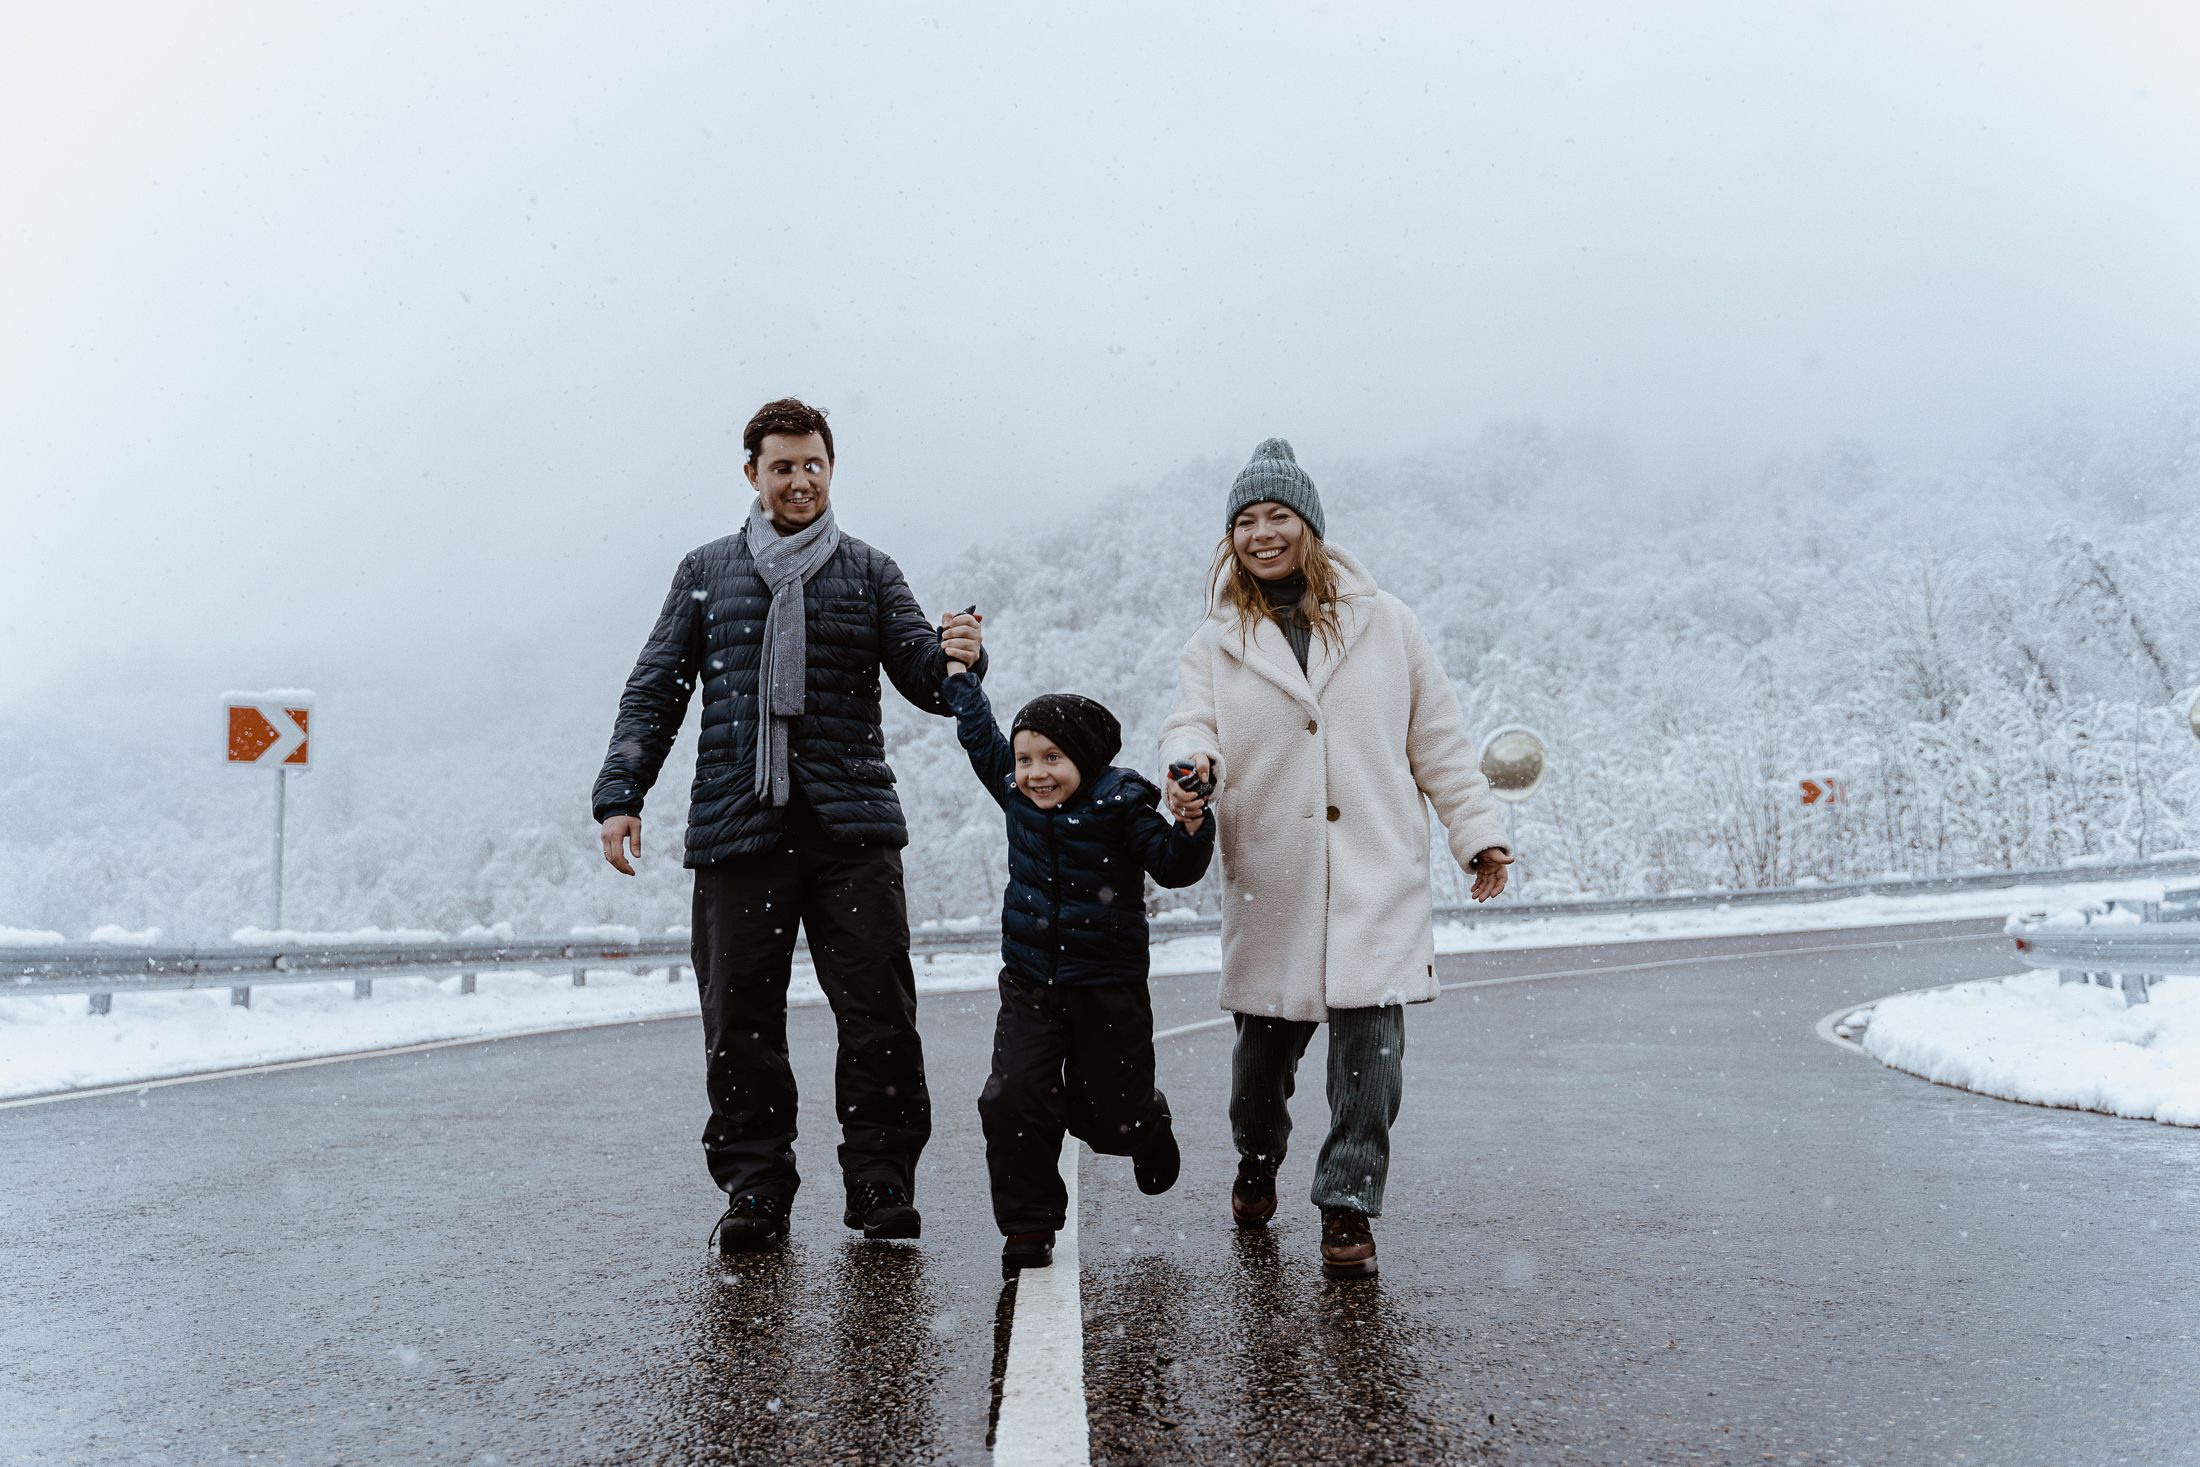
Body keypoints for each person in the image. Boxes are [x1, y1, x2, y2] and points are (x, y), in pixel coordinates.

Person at [591, 397, 986, 1252]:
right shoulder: (705, 569)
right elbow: (656, 688)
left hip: (852, 831)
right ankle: (756, 1187)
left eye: (813, 465)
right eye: (782, 466)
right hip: (741, 829)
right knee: (739, 1020)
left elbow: (922, 674)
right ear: (752, 475)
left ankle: (881, 1180)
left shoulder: (871, 572)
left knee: (879, 1014)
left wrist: (959, 655)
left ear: (831, 469)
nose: (799, 480)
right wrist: (622, 794)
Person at [1158, 437, 1514, 1280]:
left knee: (1370, 1053)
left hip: (1374, 865)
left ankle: (1347, 1203)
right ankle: (1257, 1155)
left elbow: (1440, 742)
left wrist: (1479, 832)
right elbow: (1189, 722)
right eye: (1245, 520)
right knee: (1260, 1062)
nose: (1261, 533)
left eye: (1278, 515)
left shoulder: (1388, 623)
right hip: (1274, 873)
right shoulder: (1216, 640)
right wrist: (1190, 765)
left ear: (1310, 526)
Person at [941, 645, 1214, 1276]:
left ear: (1085, 760)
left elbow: (1175, 868)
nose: (1035, 773)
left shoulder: (1122, 805)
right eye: (1026, 759)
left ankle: (1146, 1124)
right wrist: (961, 675)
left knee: (1107, 1119)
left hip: (1107, 986)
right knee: (1011, 1098)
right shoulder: (1014, 792)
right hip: (1030, 983)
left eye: (1053, 759)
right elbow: (978, 731)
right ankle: (1029, 1225)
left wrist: (1193, 824)